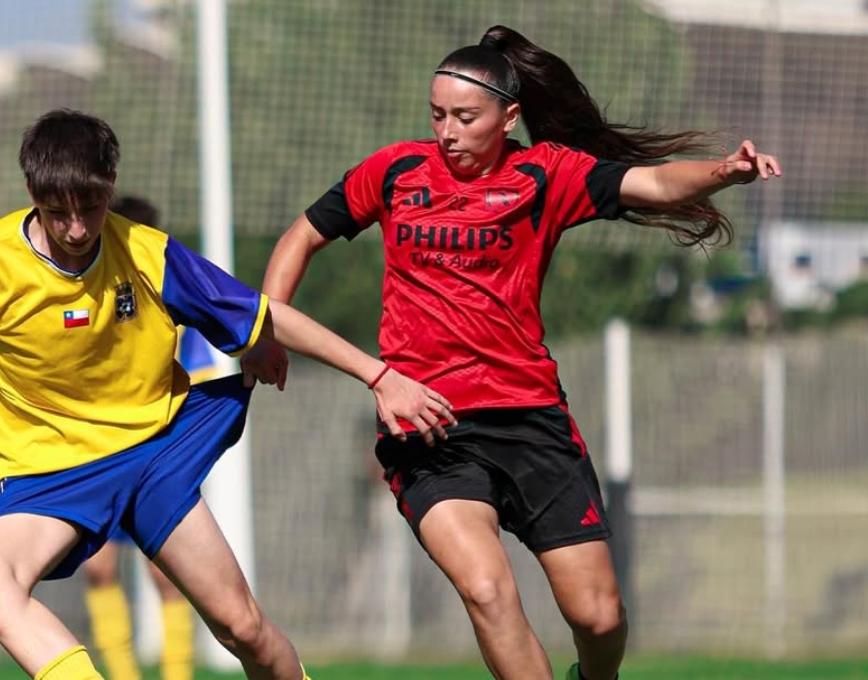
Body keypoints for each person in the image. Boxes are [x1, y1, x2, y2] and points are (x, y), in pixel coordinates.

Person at [0, 108, 456, 680]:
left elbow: (264, 315)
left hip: (153, 454)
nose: (78, 229)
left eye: (91, 207)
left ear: (111, 186)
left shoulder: (146, 252)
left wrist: (378, 374)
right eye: (59, 212)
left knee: (243, 630)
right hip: (50, 473)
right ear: (33, 196)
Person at [240, 26, 780, 680]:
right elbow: (300, 237)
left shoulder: (546, 174)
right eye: (437, 115)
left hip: (531, 420)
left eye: (466, 117)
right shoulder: (393, 171)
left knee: (600, 617)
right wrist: (265, 333)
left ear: (508, 116)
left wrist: (724, 173)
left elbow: (659, 186)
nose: (448, 131)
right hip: (429, 426)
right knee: (488, 592)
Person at [79, 194, 212, 680]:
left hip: (157, 455)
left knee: (169, 575)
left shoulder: (168, 296)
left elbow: (198, 371)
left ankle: (178, 674)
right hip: (97, 454)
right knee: (98, 569)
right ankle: (123, 674)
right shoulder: (86, 298)